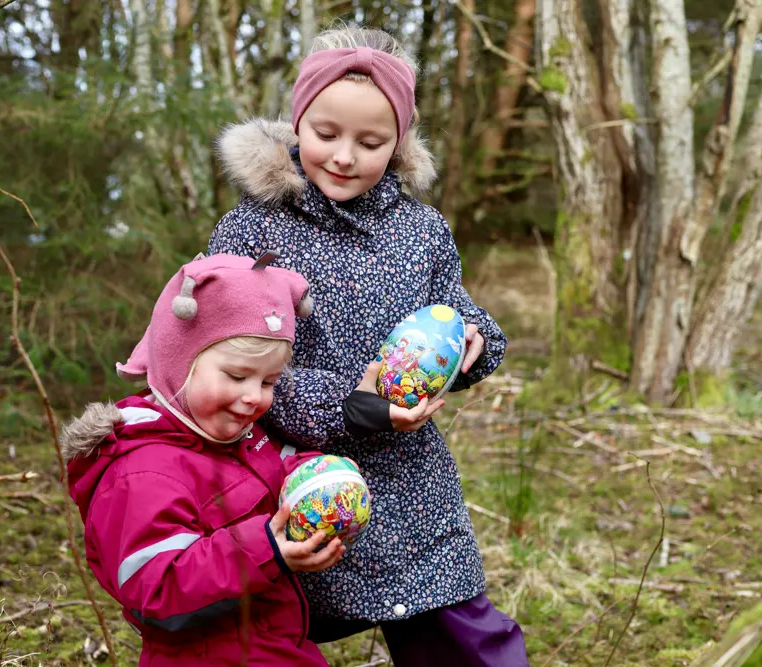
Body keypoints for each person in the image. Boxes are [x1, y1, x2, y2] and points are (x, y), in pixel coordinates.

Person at [208, 25, 530, 667]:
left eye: (371, 142)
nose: (345, 157)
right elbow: (229, 357)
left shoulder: (422, 231)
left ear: (400, 144)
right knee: (265, 637)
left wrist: (473, 341)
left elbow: (452, 309)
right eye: (326, 134)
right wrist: (350, 405)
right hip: (293, 475)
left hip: (411, 481)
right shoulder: (253, 229)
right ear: (297, 120)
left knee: (461, 635)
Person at [62, 253, 346, 666]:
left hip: (278, 647)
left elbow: (274, 469)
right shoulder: (141, 471)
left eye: (268, 382)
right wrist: (268, 548)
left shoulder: (235, 435)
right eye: (235, 376)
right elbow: (156, 589)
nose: (254, 396)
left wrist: (315, 475)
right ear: (180, 364)